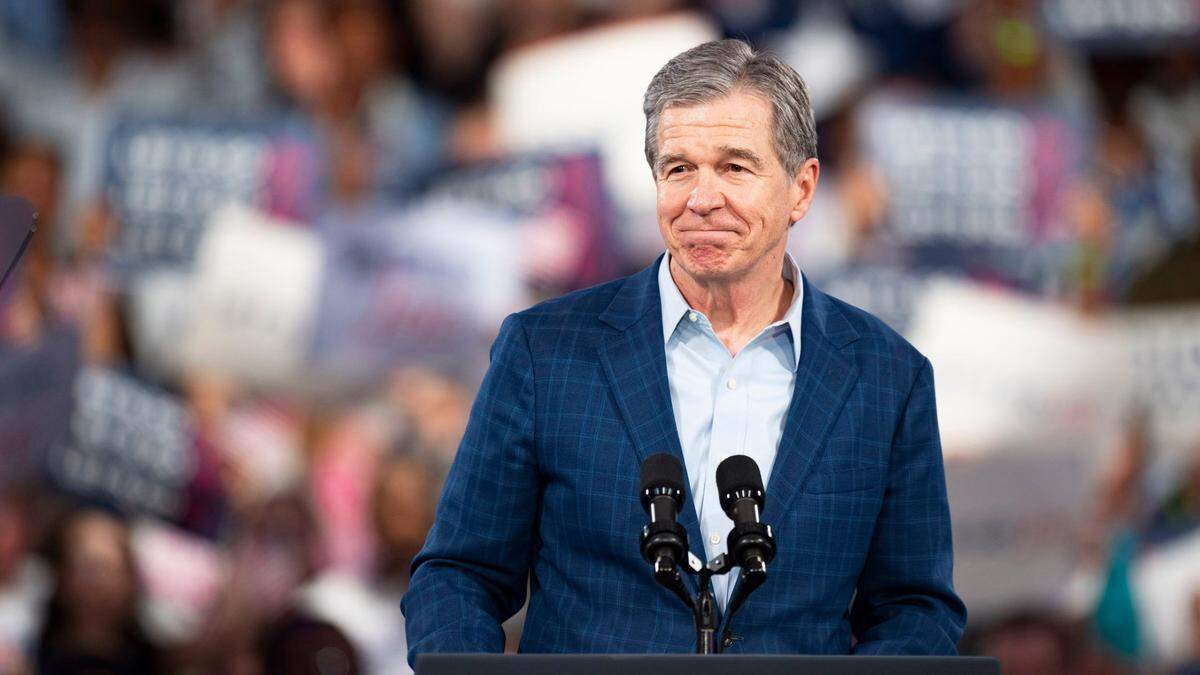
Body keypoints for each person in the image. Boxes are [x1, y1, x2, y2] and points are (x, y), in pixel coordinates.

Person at [402, 38, 966, 658]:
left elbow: (915, 607)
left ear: (801, 189)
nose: (701, 199)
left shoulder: (886, 376)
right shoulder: (545, 352)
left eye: (735, 167)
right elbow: (459, 575)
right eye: (678, 168)